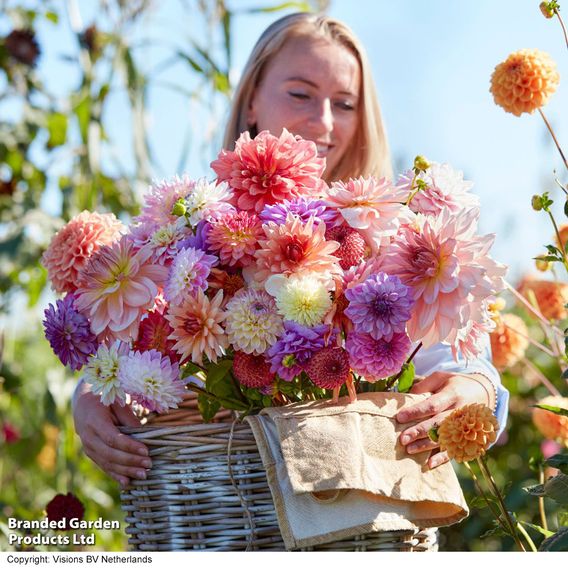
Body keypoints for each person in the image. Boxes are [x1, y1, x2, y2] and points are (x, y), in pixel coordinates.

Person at [72, 12, 508, 487]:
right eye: (300, 93)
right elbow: (137, 335)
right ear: (252, 99)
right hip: (217, 509)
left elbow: (454, 359)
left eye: (344, 103)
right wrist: (92, 392)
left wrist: (476, 388)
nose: (323, 122)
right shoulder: (187, 232)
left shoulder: (395, 237)